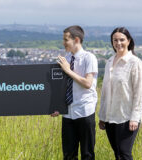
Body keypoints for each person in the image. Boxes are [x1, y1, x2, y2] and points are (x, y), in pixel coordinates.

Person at [51, 25, 98, 160]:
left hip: (84, 112)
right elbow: (61, 87)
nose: (63, 43)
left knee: (87, 155)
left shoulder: (89, 58)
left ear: (76, 40)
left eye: (66, 40)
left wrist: (68, 71)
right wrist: (57, 107)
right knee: (68, 155)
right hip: (68, 114)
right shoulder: (66, 59)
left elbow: (88, 84)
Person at [98, 27, 142, 160]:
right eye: (115, 40)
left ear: (129, 41)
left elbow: (139, 93)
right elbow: (105, 92)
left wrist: (135, 117)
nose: (118, 43)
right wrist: (102, 116)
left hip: (126, 117)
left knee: (125, 153)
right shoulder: (109, 62)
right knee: (117, 154)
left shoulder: (135, 63)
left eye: (122, 40)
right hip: (110, 117)